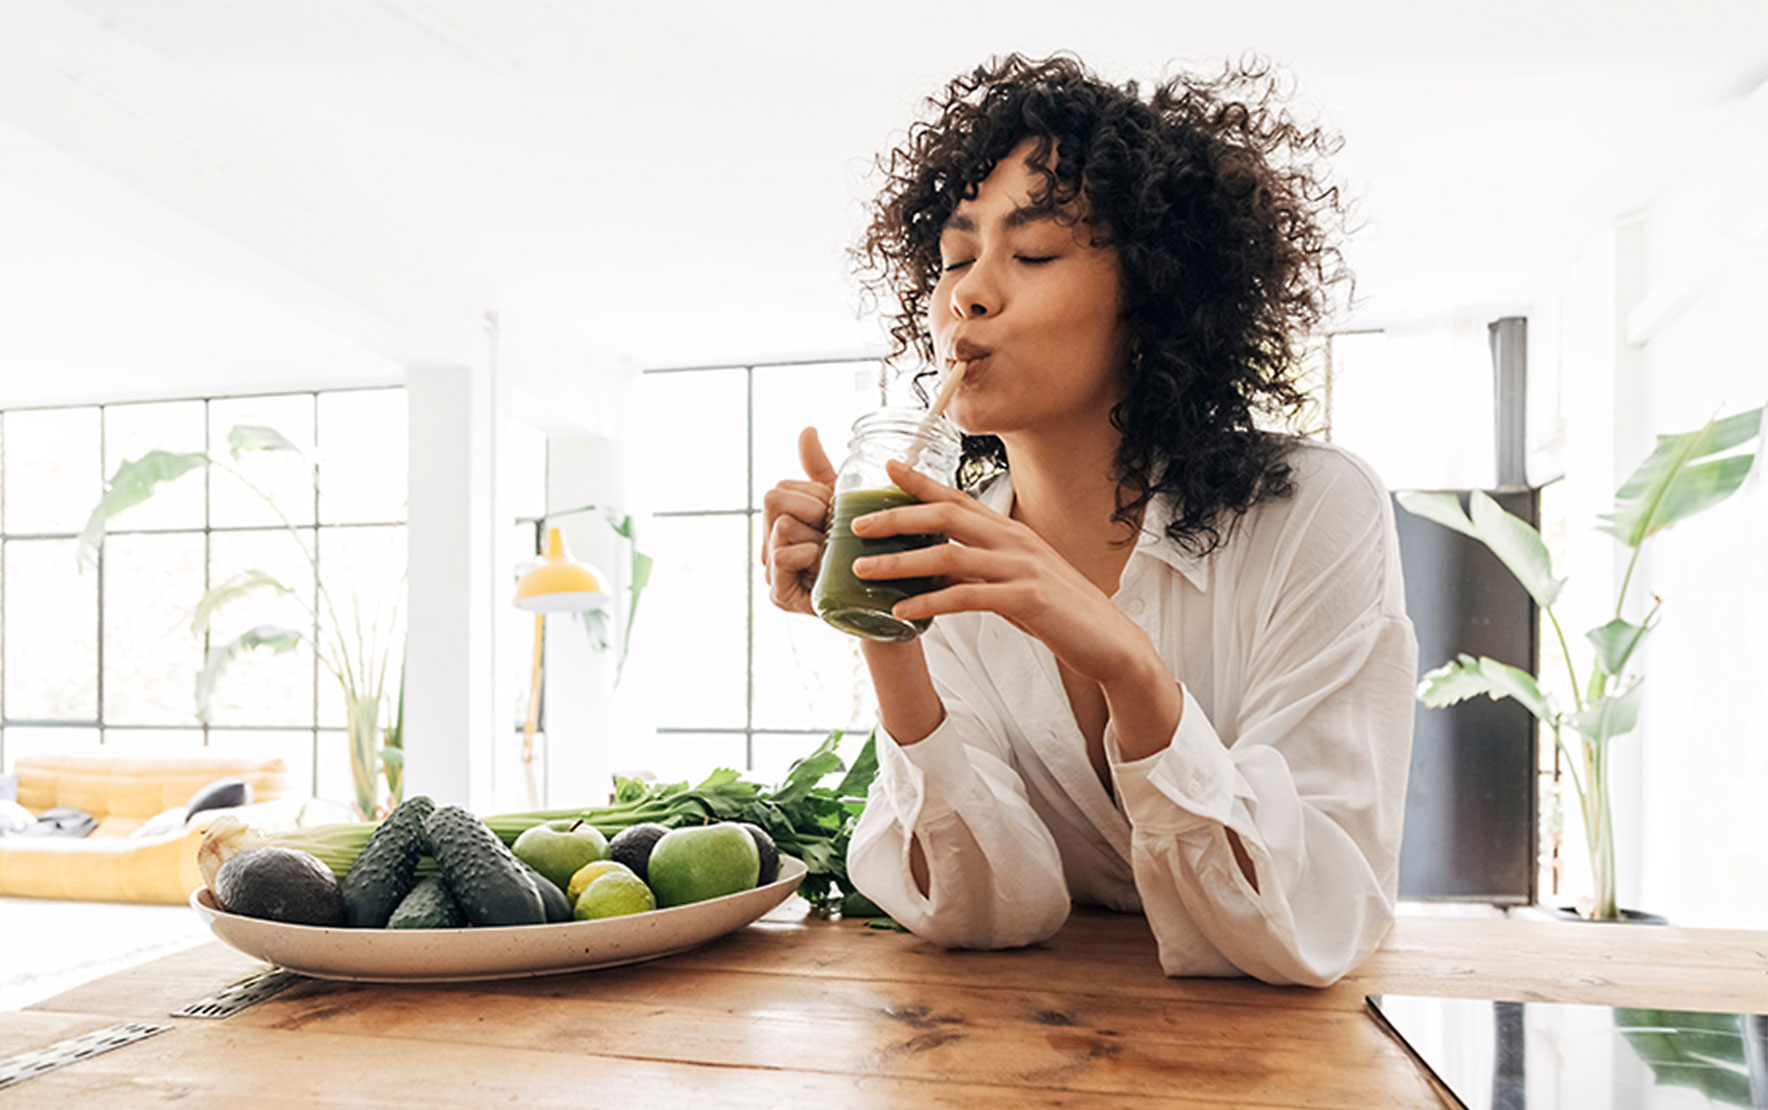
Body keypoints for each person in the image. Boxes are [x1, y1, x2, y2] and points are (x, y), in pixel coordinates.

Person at [761, 53, 1417, 987]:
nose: (968, 294)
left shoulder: (1313, 512)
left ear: (1151, 294)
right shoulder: (944, 542)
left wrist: (1130, 666)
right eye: (955, 257)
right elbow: (980, 913)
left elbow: (1314, 920)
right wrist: (885, 624)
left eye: (1031, 254)